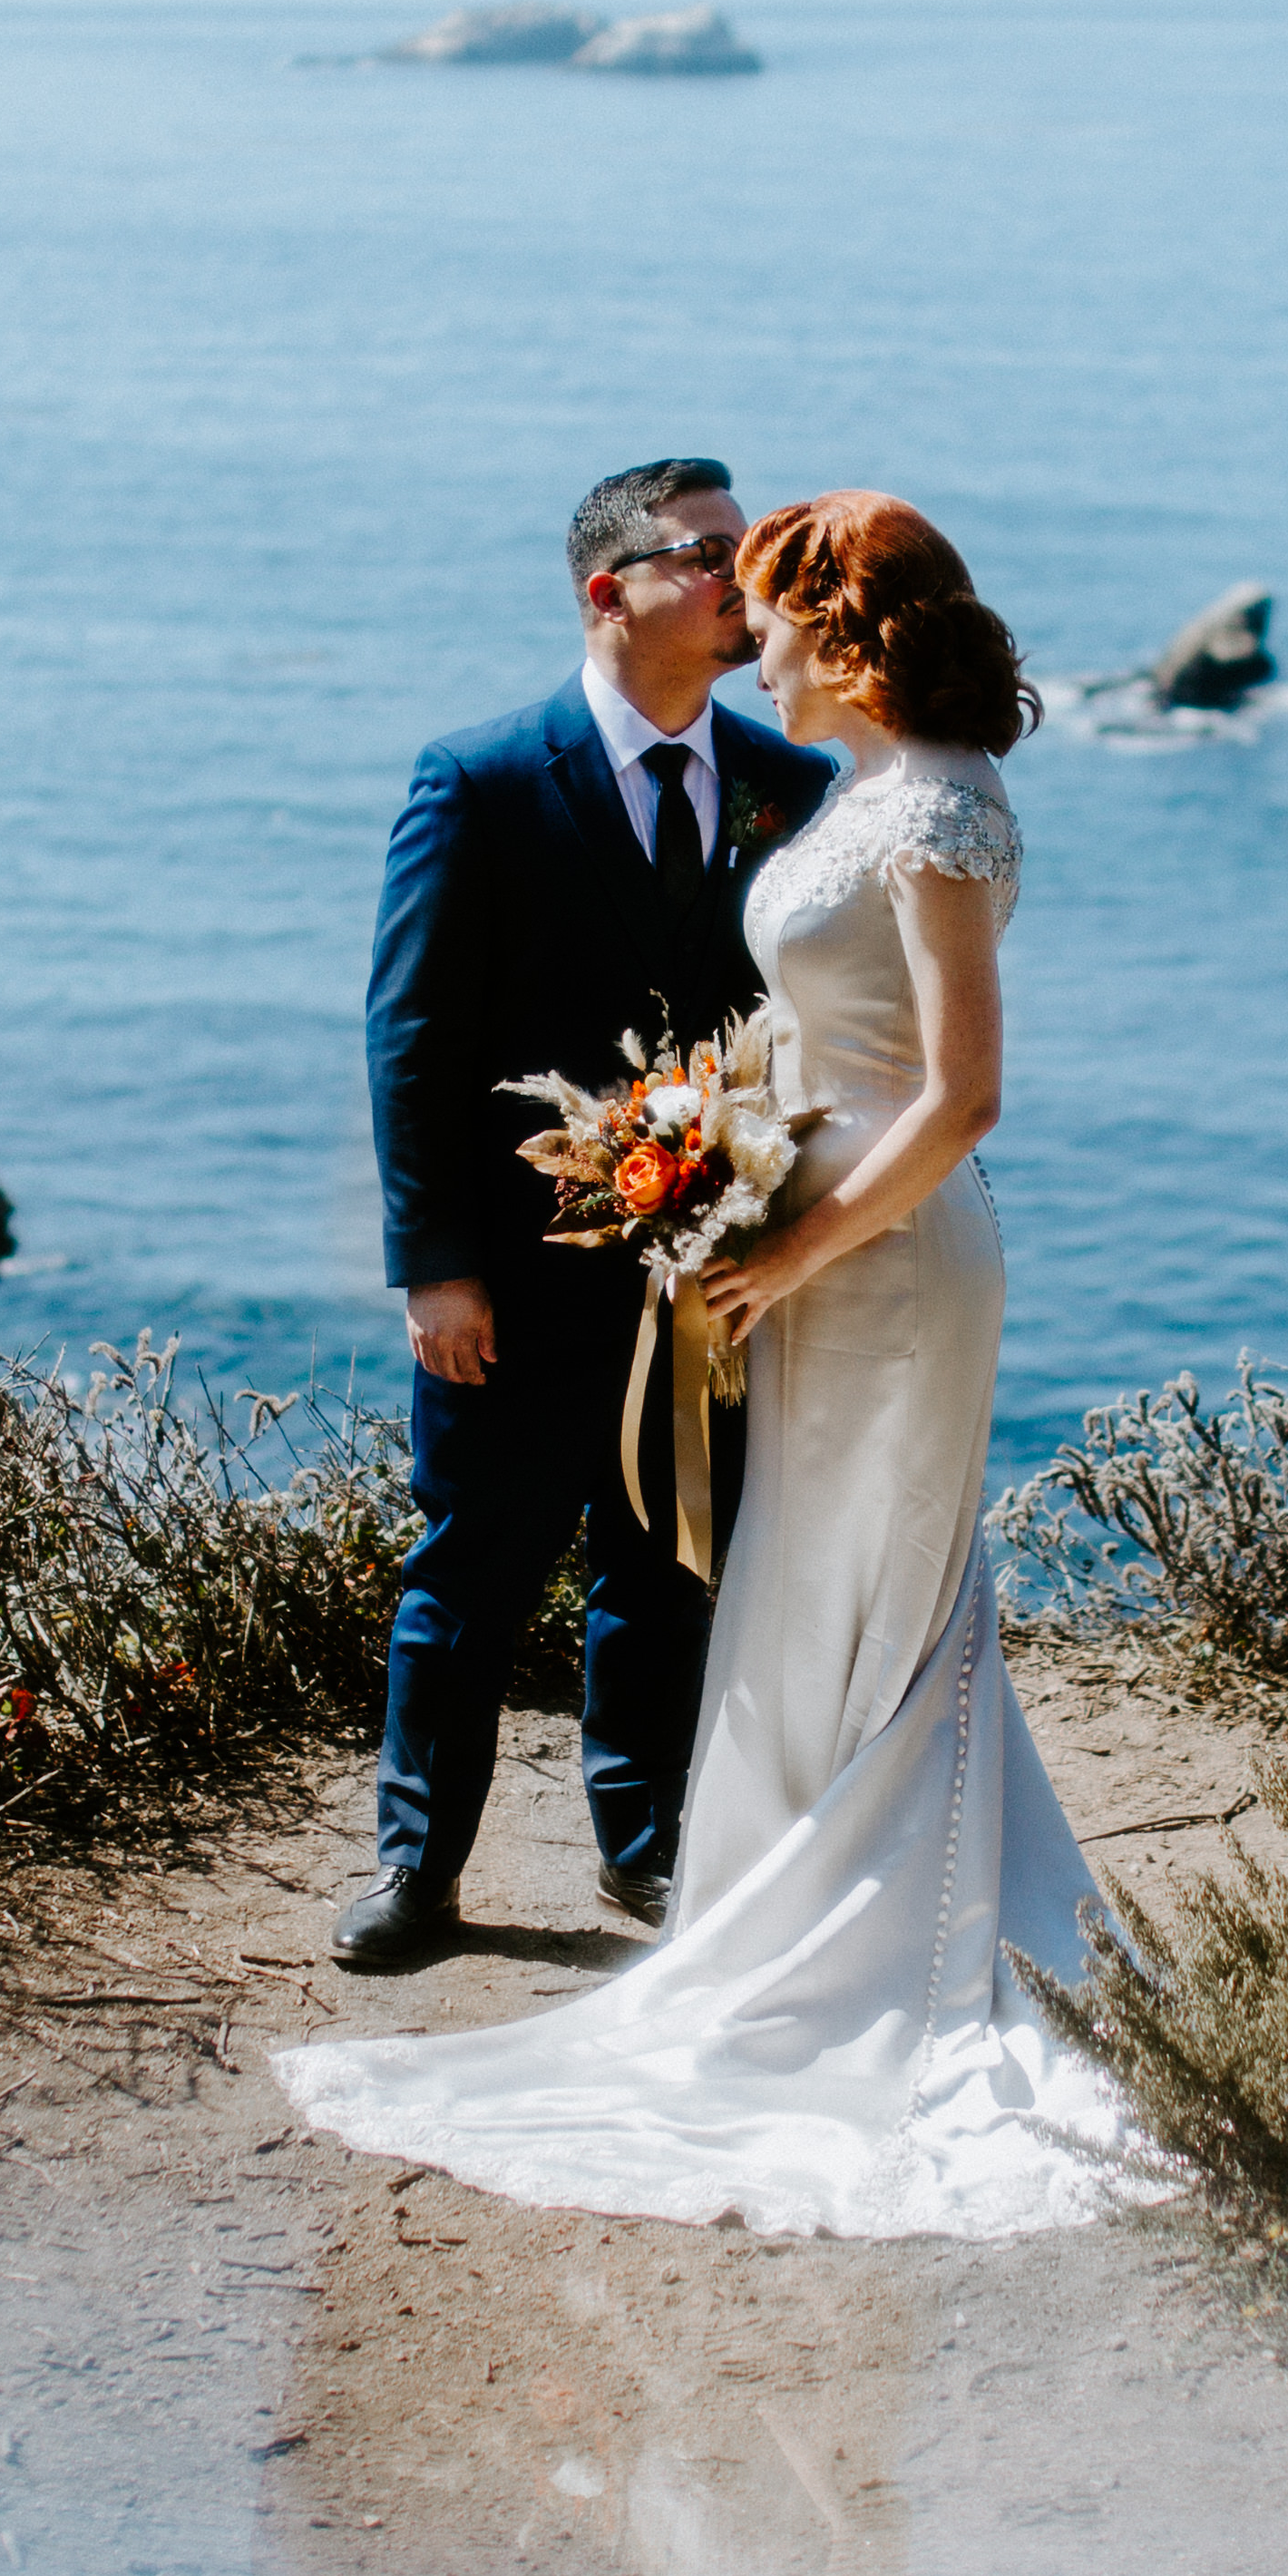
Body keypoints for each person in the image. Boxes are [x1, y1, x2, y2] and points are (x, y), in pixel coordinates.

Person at [281, 495, 1154, 2238]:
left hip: (865, 1265)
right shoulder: (580, 779)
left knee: (840, 1584)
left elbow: (960, 1091)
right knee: (753, 1575)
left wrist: (789, 1240)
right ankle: (582, 1885)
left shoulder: (915, 801)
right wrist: (658, 1170)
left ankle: (851, 1925)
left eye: (770, 610)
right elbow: (424, 1024)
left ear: (839, 637)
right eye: (722, 590)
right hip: (756, 1246)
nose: (748, 642)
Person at [343, 459, 837, 1972]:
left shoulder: (789, 784)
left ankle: (645, 1849)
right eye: (705, 556)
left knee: (667, 1565)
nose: (740, 584)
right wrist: (434, 1267)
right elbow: (411, 1035)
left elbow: (807, 1021)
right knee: (471, 1568)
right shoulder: (480, 781)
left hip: (706, 1272)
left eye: (746, 555)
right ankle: (417, 1865)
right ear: (603, 588)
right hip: (514, 1271)